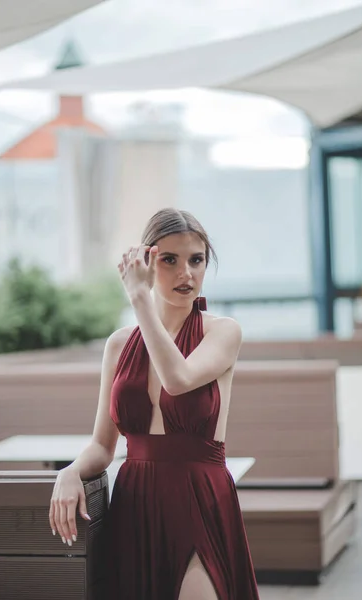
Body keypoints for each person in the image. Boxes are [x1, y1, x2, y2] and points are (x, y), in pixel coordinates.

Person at [49, 208, 260, 599]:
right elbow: (102, 446)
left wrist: (139, 298)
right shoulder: (118, 345)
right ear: (147, 262)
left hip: (200, 497)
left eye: (196, 260)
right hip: (135, 502)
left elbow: (176, 379)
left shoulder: (223, 332)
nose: (187, 273)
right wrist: (70, 471)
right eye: (170, 260)